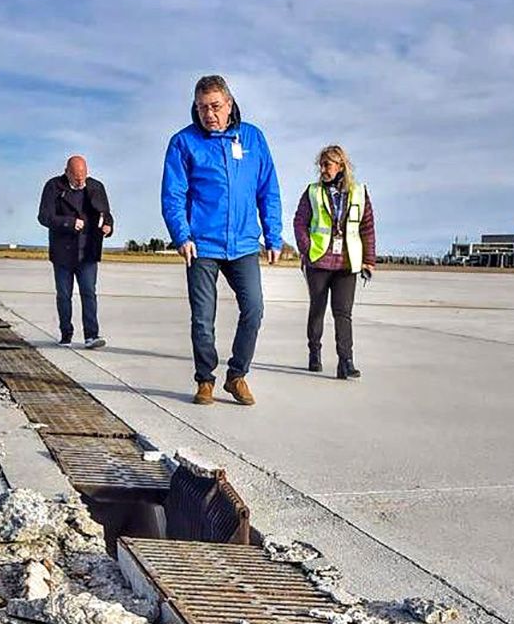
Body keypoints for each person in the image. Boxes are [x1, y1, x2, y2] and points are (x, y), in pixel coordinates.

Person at [161, 75, 282, 406]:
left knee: (254, 309)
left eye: (215, 106)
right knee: (203, 319)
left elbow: (268, 189)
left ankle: (237, 375)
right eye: (202, 108)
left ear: (229, 104)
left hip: (244, 244)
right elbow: (173, 194)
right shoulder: (184, 142)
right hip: (201, 244)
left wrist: (273, 235)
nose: (209, 114)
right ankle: (205, 379)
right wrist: (181, 235)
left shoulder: (253, 138)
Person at [293, 145, 376, 378]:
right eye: (320, 165)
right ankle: (314, 352)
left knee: (343, 313)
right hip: (318, 261)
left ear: (340, 166)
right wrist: (307, 249)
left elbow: (367, 228)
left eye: (327, 165)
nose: (322, 169)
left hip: (347, 264)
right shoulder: (312, 192)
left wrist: (369, 260)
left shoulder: (359, 192)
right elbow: (299, 222)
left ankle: (345, 361)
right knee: (317, 309)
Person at [38, 155, 113, 348]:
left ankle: (91, 336)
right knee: (64, 295)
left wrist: (108, 226)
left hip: (88, 251)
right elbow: (44, 217)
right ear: (67, 172)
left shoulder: (96, 187)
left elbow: (106, 214)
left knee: (89, 293)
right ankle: (66, 334)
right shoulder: (53, 187)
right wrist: (69, 223)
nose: (80, 181)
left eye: (83, 176)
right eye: (76, 177)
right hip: (63, 252)